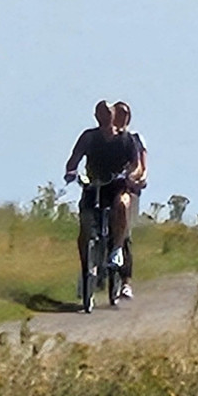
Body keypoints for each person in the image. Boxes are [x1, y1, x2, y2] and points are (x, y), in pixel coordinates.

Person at [63, 100, 139, 283]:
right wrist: (71, 172)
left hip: (116, 184)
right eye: (101, 114)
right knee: (86, 226)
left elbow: (136, 164)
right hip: (94, 185)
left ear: (113, 116)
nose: (104, 117)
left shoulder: (126, 139)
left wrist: (131, 176)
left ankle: (117, 250)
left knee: (121, 205)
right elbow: (74, 159)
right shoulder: (89, 137)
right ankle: (86, 268)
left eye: (108, 114)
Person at [112, 101, 148, 299]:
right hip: (108, 185)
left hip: (128, 187)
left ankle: (126, 282)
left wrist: (138, 177)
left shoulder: (133, 139)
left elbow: (141, 164)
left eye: (124, 115)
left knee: (124, 232)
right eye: (118, 114)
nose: (121, 118)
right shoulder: (107, 138)